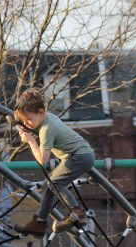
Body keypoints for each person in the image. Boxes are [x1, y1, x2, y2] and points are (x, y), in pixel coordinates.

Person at [13, 88, 95, 237]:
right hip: (82, 155)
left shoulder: (46, 129)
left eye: (29, 120)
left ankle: (77, 212)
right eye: (24, 122)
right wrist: (27, 127)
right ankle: (39, 222)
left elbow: (43, 161)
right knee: (47, 185)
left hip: (78, 156)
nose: (28, 124)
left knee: (54, 184)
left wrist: (31, 141)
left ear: (41, 112)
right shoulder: (49, 118)